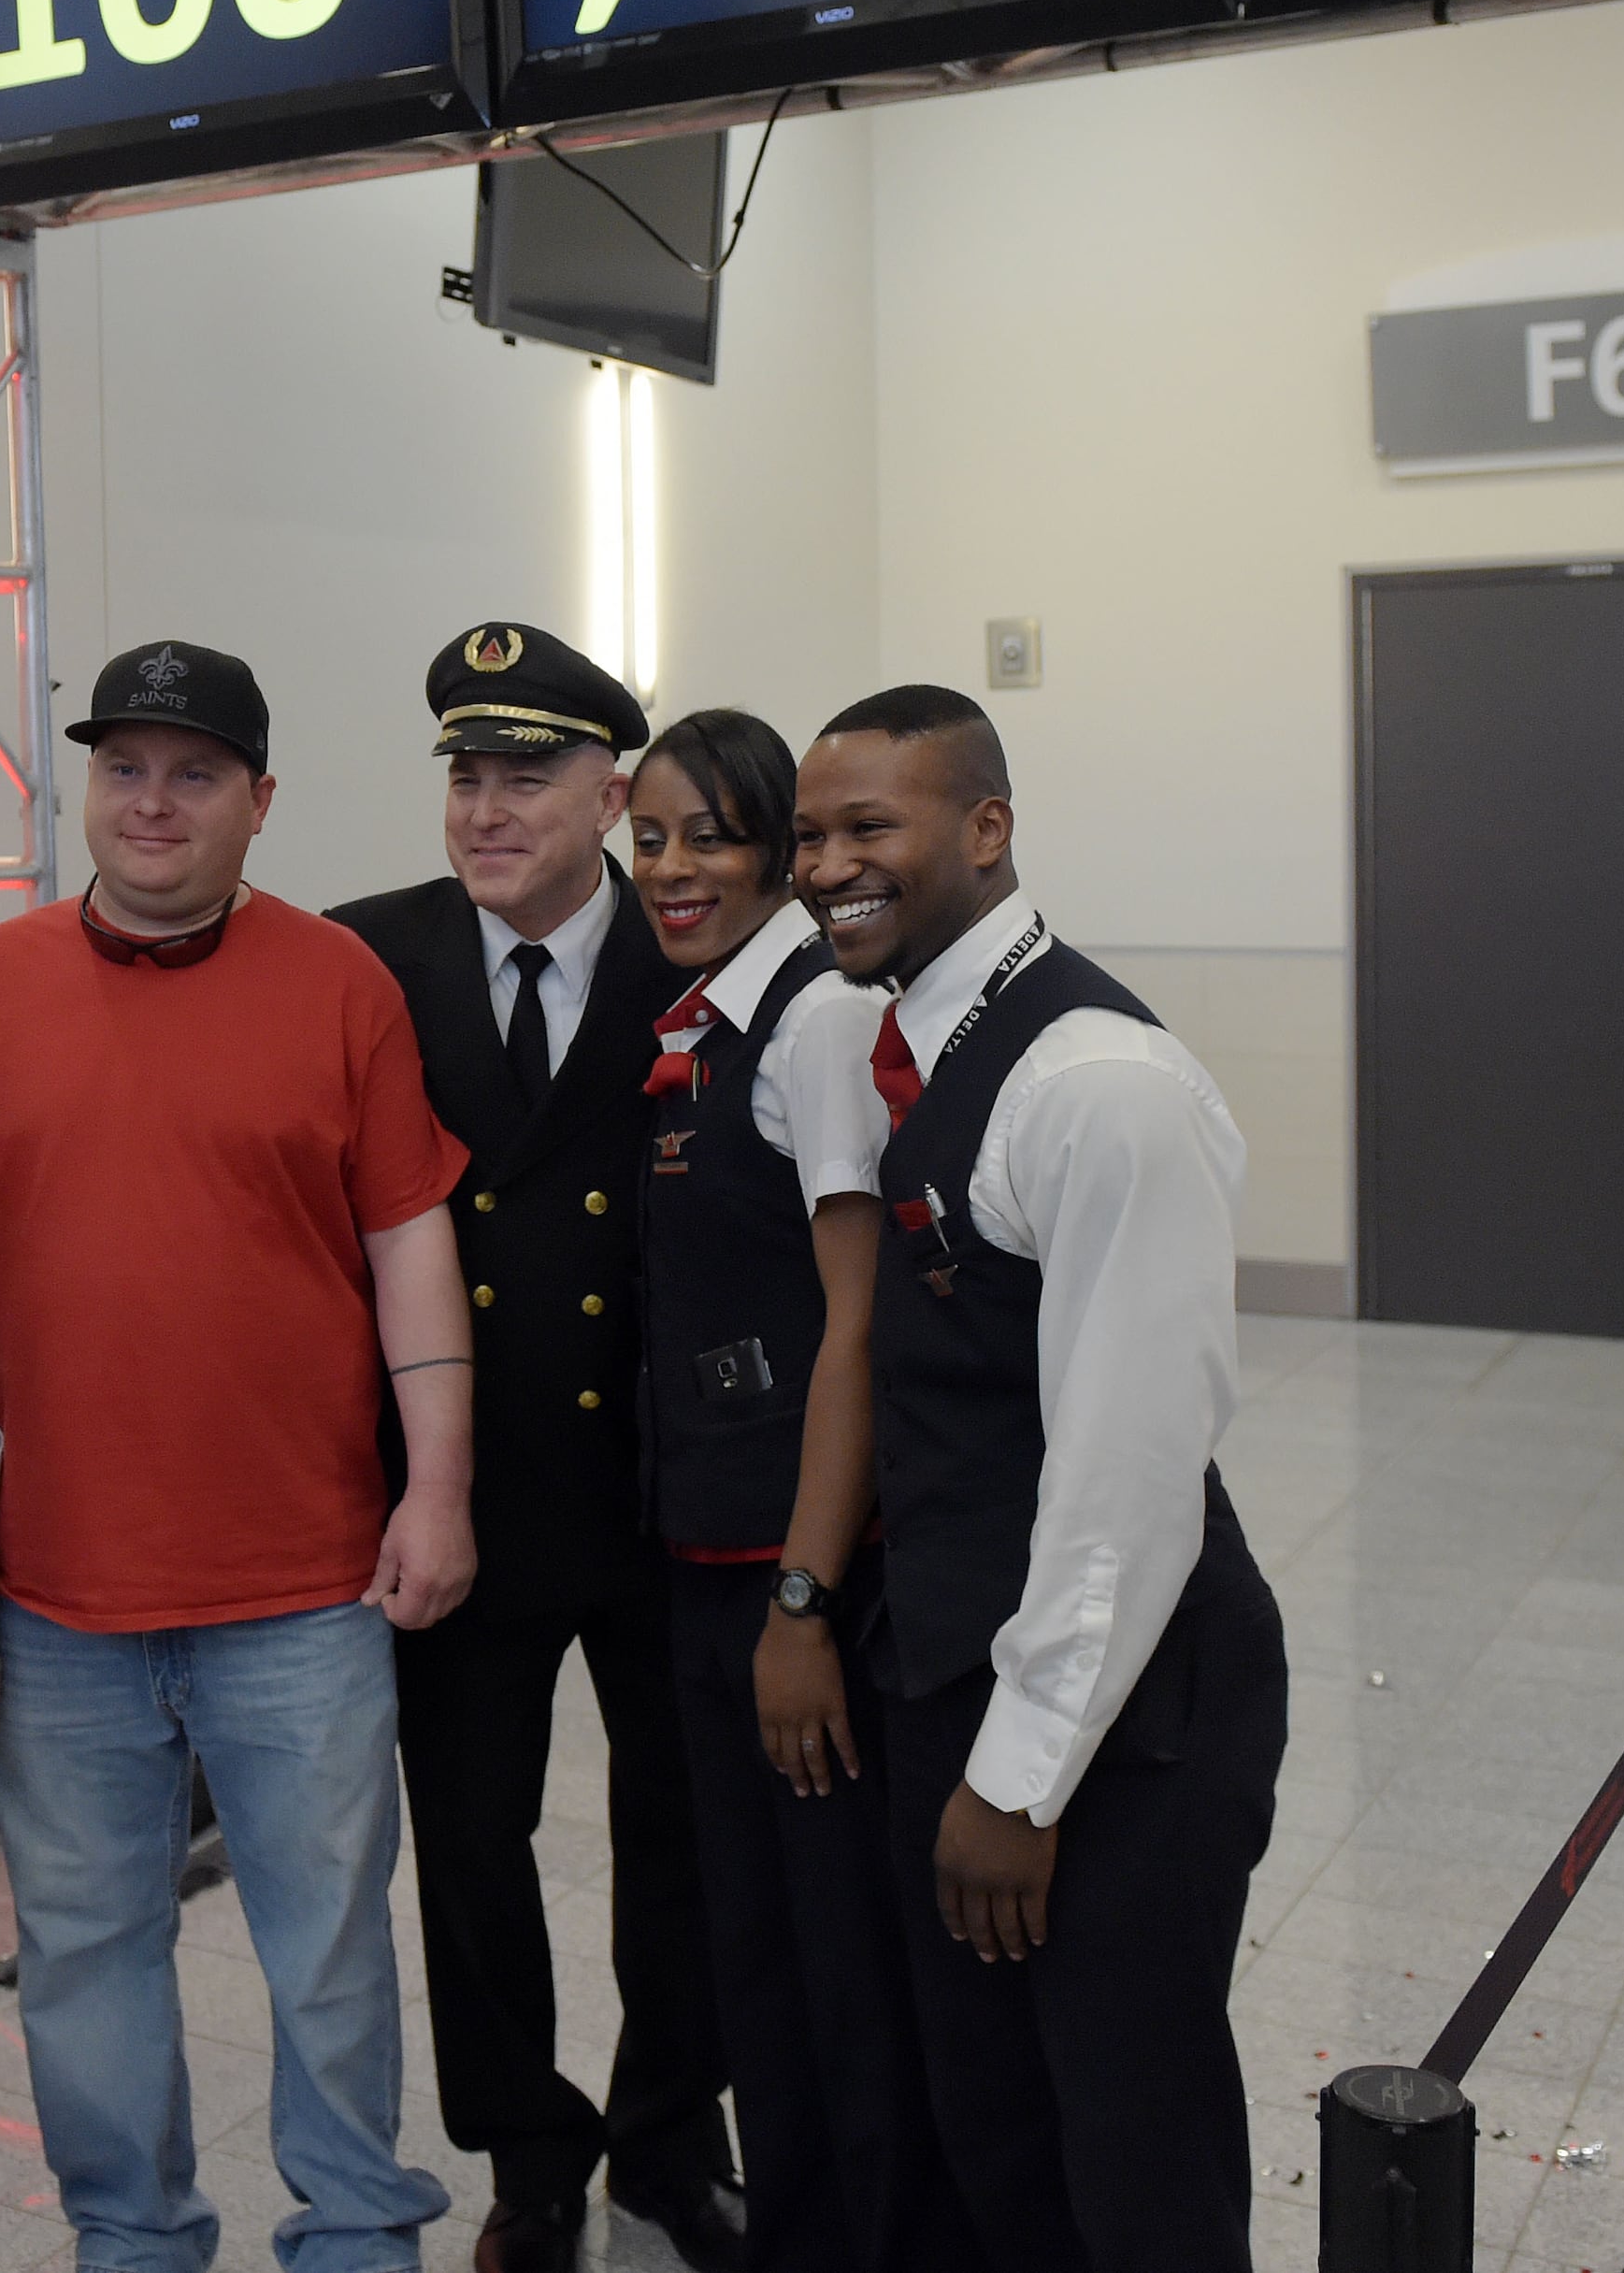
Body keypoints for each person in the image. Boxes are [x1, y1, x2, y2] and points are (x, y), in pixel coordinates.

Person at [0, 640, 475, 2273]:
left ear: (261, 801)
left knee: (330, 1950)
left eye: (196, 771)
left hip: (305, 1580)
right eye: (125, 765)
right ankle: (132, 2237)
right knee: (86, 1950)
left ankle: (358, 2229)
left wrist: (436, 1484)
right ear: (85, 786)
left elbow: (411, 1248)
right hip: (56, 1593)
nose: (153, 801)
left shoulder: (341, 985)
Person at [792, 683, 1285, 2273]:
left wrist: (1020, 1775)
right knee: (997, 2133)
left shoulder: (1096, 1083)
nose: (828, 865)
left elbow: (1127, 1477)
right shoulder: (906, 1042)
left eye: (873, 826)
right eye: (810, 834)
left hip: (1120, 1716)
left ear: (988, 829)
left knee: (1131, 2155)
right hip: (966, 1665)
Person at [333, 626, 740, 2273]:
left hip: (656, 1488)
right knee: (474, 1844)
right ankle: (527, 2148)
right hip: (456, 1490)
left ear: (614, 789)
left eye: (527, 774)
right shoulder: (369, 959)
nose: (487, 807)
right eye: (466, 773)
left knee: (683, 1832)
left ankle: (666, 2134)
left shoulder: (697, 950)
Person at [625, 709, 970, 2273]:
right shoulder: (700, 1020)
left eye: (707, 832)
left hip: (797, 1572)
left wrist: (803, 1601)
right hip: (707, 1559)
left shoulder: (819, 1024)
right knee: (760, 1951)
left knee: (838, 1969)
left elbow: (855, 1327)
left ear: (773, 843)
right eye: (649, 837)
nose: (673, 866)